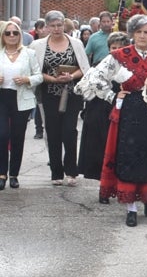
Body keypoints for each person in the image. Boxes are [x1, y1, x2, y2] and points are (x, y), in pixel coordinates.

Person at [78, 14, 147, 226]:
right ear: (132, 33)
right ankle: (130, 207)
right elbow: (93, 78)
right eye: (138, 31)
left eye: (146, 32)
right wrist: (112, 96)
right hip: (130, 111)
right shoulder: (119, 56)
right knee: (128, 156)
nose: (141, 36)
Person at [31, 10, 90, 185]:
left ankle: (71, 171)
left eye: (60, 25)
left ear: (64, 24)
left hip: (72, 93)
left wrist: (71, 77)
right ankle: (56, 173)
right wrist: (53, 79)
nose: (57, 29)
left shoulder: (76, 43)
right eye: (53, 26)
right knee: (53, 132)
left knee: (69, 131)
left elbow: (84, 67)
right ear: (47, 27)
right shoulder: (38, 45)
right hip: (49, 93)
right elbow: (35, 71)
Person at [79, 31, 131, 197]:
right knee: (101, 149)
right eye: (113, 47)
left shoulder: (131, 65)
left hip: (123, 109)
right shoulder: (100, 65)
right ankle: (104, 188)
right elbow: (89, 86)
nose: (116, 51)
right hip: (100, 110)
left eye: (120, 48)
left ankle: (119, 184)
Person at [0, 21, 41, 190]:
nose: (11, 36)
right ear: (2, 35)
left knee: (17, 136)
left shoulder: (29, 53)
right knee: (2, 135)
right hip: (2, 97)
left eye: (15, 33)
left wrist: (27, 80)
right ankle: (2, 173)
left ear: (20, 36)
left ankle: (14, 174)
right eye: (8, 33)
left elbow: (39, 76)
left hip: (21, 98)